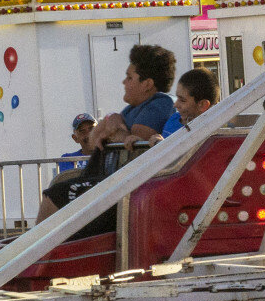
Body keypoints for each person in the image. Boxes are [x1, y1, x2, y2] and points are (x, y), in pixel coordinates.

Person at [35, 44, 176, 230]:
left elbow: (135, 142)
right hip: (106, 179)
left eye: (130, 77)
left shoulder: (159, 104)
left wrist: (113, 130)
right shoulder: (131, 109)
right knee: (55, 191)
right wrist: (111, 121)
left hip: (122, 190)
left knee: (54, 196)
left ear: (147, 84)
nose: (124, 82)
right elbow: (94, 139)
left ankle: (34, 255)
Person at [149, 68, 221, 144]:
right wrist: (141, 142)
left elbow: (189, 153)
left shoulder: (207, 134)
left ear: (202, 105)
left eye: (182, 100)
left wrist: (162, 145)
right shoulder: (174, 118)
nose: (175, 105)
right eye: (177, 98)